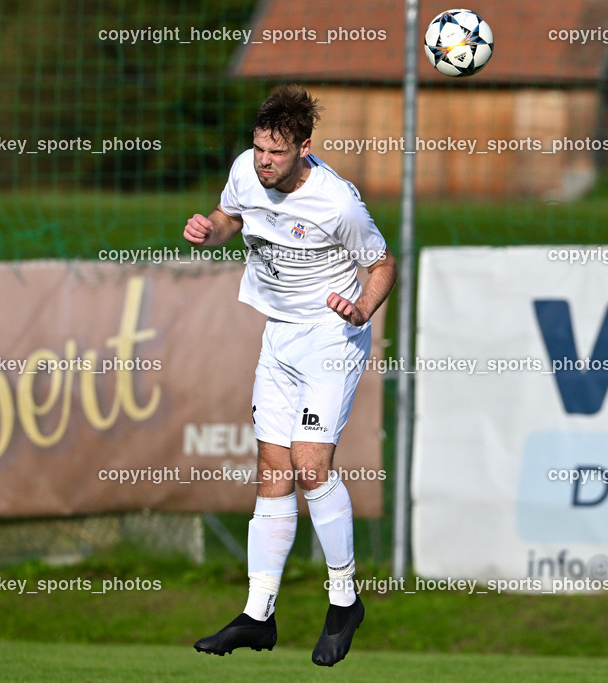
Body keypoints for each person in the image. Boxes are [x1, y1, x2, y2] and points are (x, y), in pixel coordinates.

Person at [185, 84, 396, 667]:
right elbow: (231, 216)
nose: (263, 162)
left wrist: (361, 309)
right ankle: (258, 614)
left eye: (275, 153)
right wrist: (211, 228)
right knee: (273, 470)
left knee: (309, 464)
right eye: (257, 149)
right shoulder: (245, 173)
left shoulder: (338, 203)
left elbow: (381, 264)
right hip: (278, 334)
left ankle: (344, 598)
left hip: (332, 335)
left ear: (304, 147)